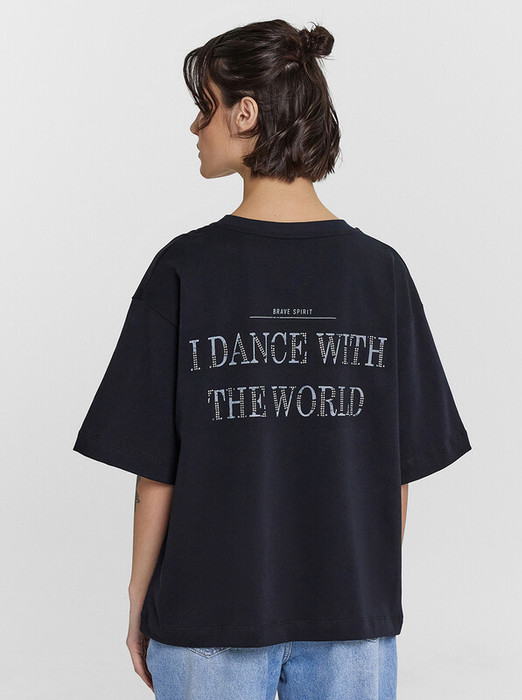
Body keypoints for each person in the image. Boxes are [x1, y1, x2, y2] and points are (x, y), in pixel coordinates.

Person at [72, 19, 472, 700]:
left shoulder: (184, 269)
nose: (195, 127)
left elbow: (156, 475)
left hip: (206, 616)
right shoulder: (380, 275)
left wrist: (138, 600)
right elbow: (396, 470)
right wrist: (362, 595)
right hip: (352, 619)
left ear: (245, 113)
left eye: (205, 106)